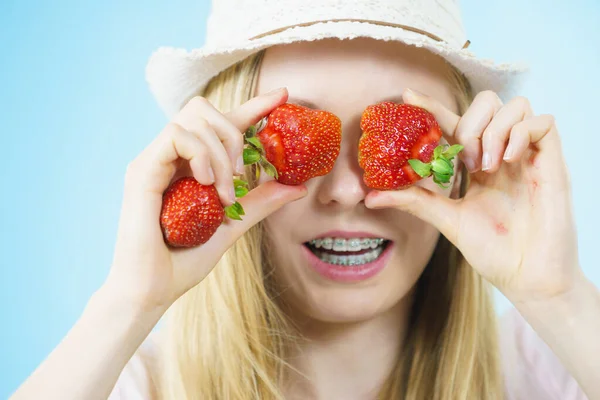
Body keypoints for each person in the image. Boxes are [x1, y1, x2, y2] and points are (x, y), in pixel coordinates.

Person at [11, 0, 599, 399]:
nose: (345, 192)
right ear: (223, 154)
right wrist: (126, 304)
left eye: (393, 144)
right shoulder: (133, 383)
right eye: (295, 142)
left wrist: (560, 296)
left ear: (461, 163)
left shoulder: (546, 368)